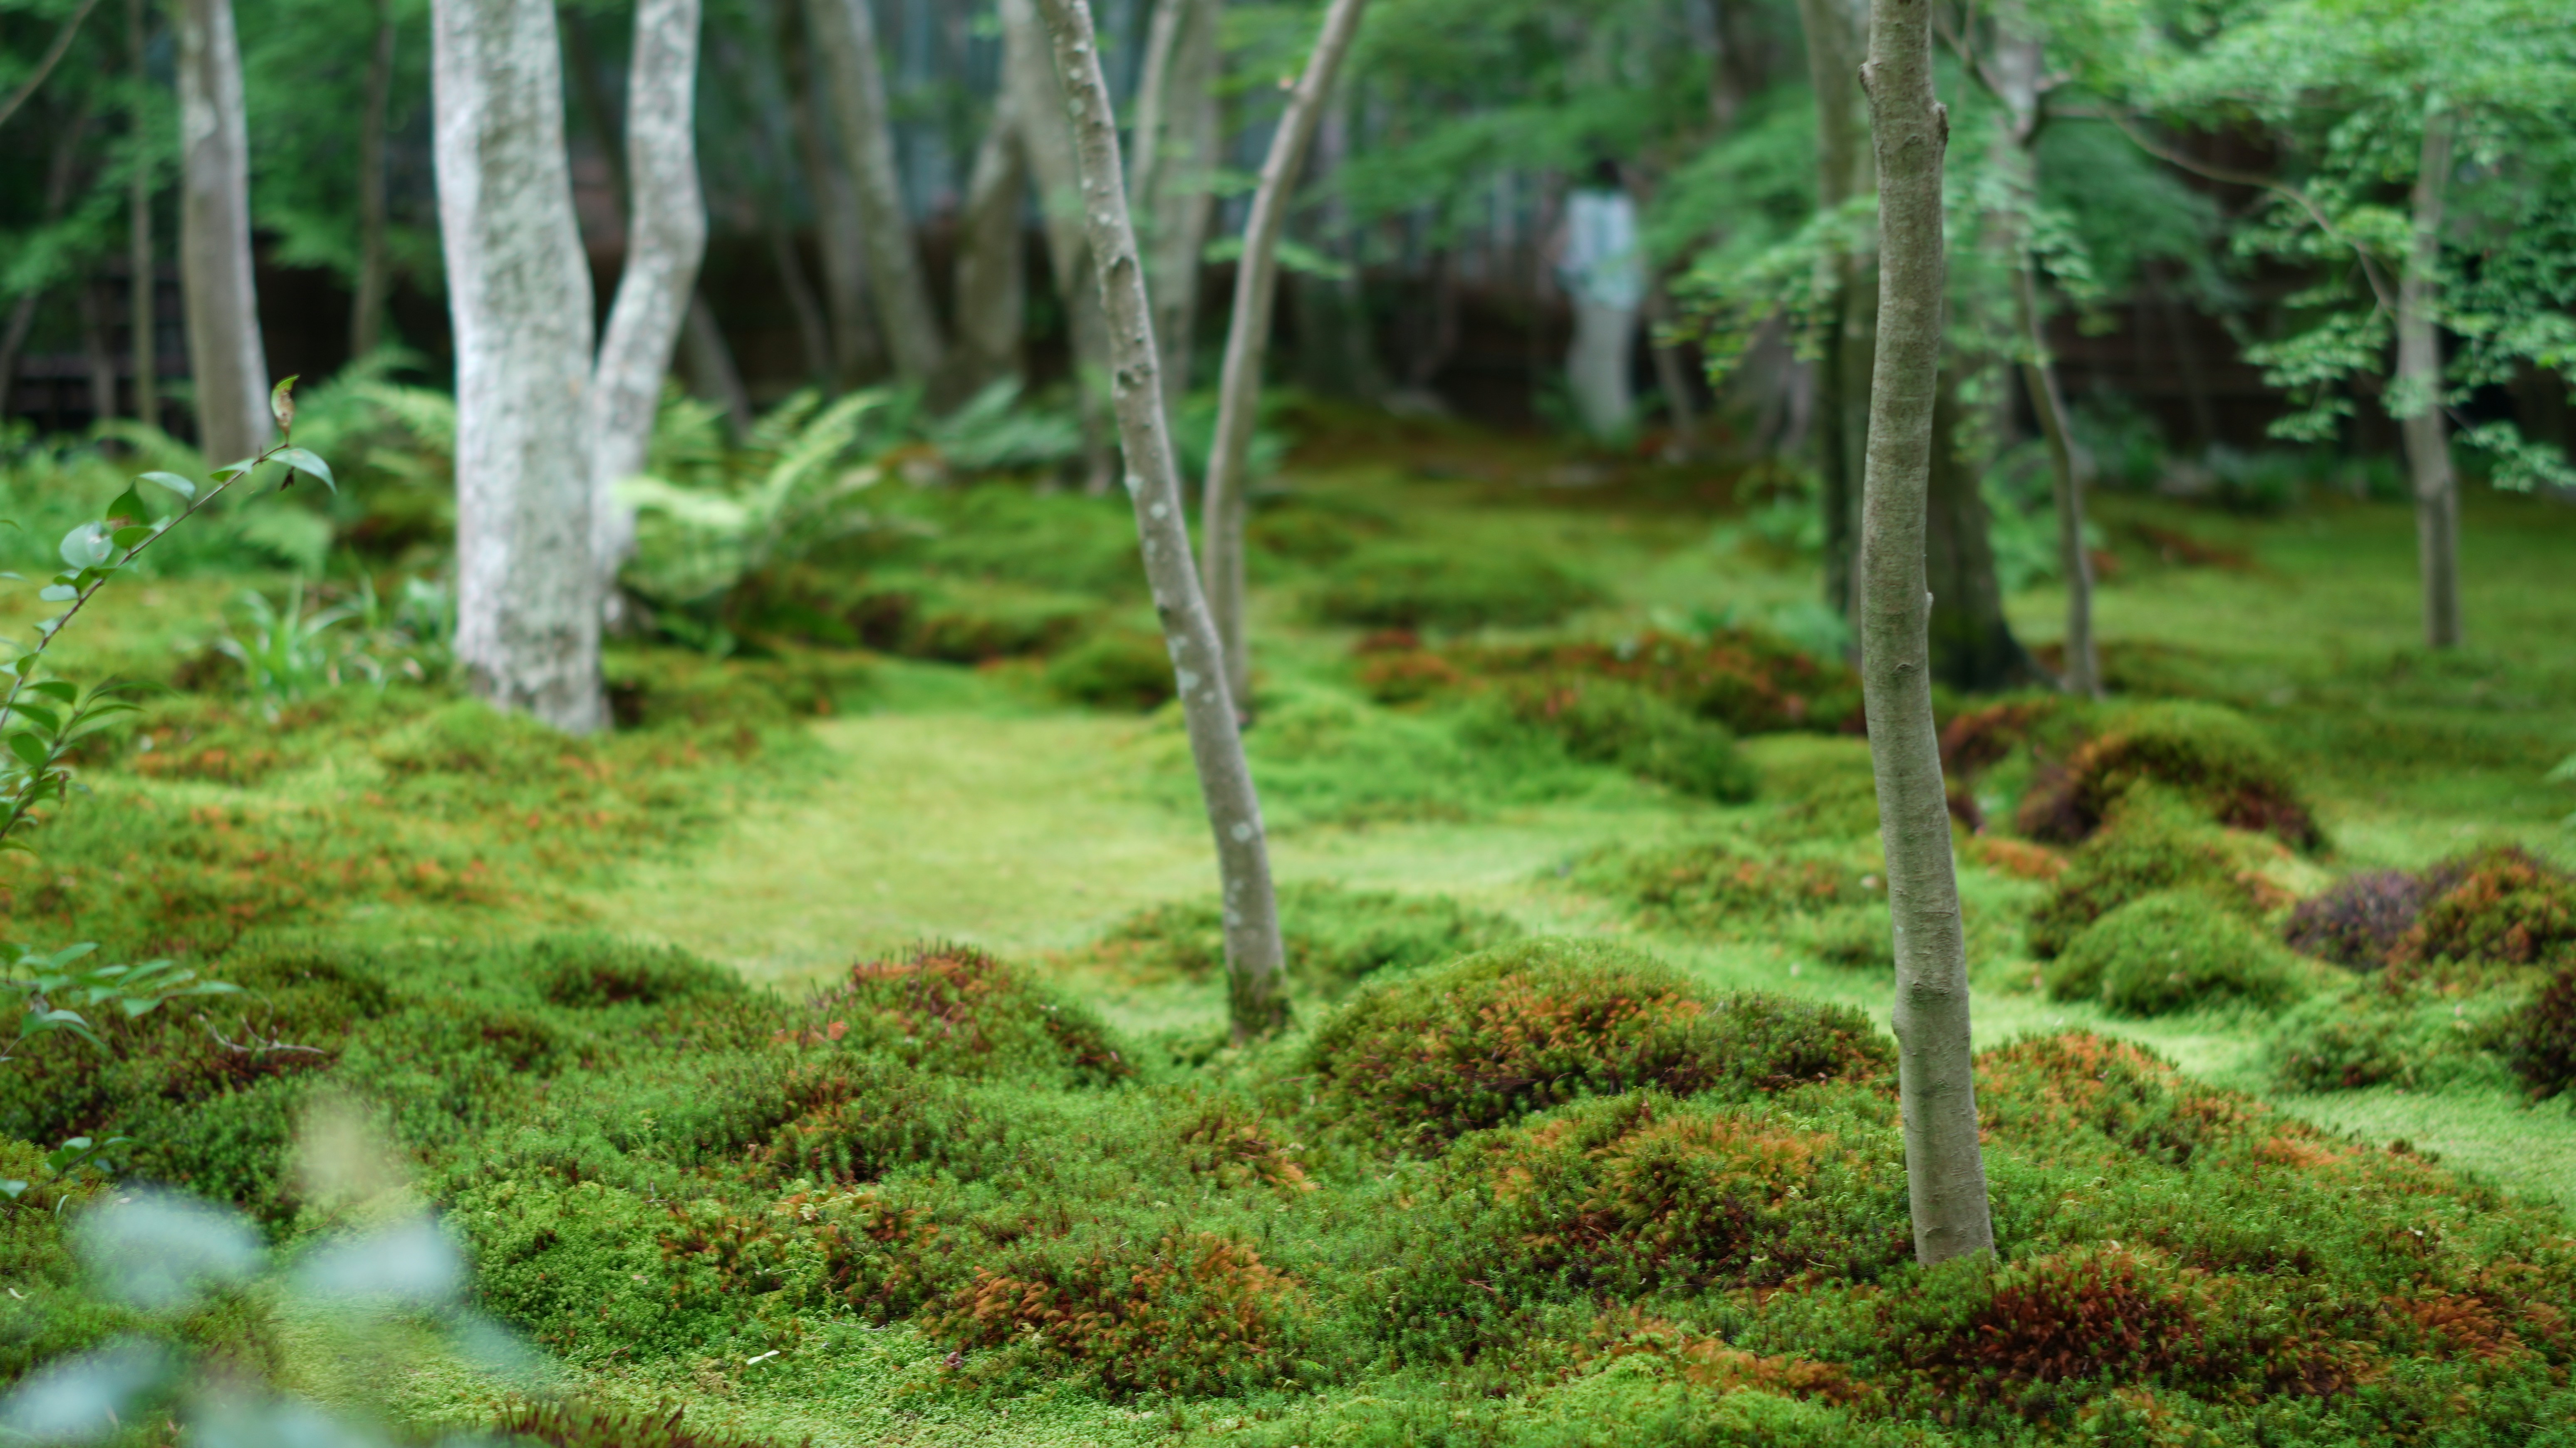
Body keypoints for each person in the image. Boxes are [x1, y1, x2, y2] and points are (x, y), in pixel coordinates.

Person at [1555, 160, 1645, 438]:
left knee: (1602, 361)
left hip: (1599, 291)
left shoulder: (1585, 203)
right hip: (1620, 292)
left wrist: (1570, 273)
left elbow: (1583, 253)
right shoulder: (1622, 204)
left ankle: (1612, 432)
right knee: (1595, 359)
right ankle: (1592, 425)